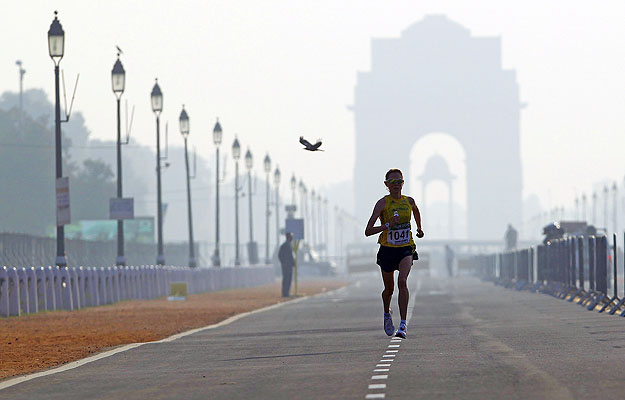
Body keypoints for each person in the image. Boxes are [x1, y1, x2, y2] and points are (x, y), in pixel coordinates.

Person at [365, 168, 424, 338]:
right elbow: (368, 231)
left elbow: (416, 210)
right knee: (389, 290)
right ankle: (386, 312)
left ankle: (403, 325)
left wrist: (419, 228)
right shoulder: (382, 204)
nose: (397, 185)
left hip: (406, 248)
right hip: (387, 250)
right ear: (386, 185)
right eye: (393, 182)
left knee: (402, 281)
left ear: (403, 183)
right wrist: (388, 224)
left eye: (400, 181)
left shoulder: (409, 201)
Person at [278, 232, 295, 297]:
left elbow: (291, 256)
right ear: (288, 237)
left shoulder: (289, 245)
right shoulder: (285, 245)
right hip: (286, 266)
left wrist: (292, 262)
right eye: (291, 236)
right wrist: (284, 262)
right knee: (286, 279)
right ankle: (285, 293)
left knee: (289, 279)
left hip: (289, 265)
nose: (292, 238)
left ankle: (287, 292)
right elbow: (280, 255)